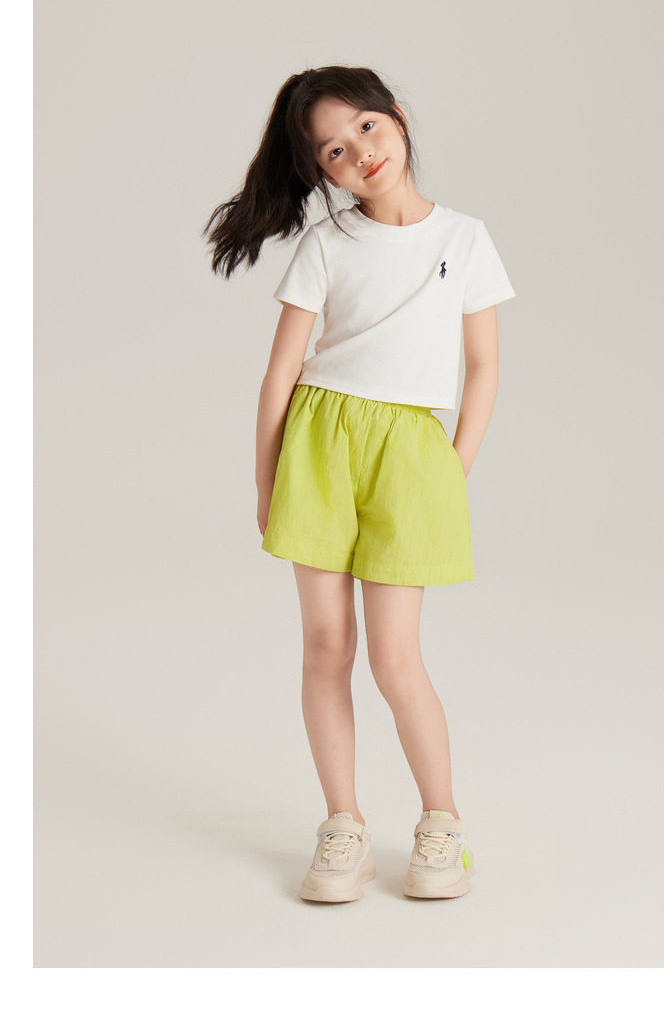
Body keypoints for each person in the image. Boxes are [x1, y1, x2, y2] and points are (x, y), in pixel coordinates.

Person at [203, 65, 517, 903]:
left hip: (412, 450)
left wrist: (451, 470)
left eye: (366, 129)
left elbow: (484, 368)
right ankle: (342, 826)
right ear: (324, 174)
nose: (359, 153)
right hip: (320, 441)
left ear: (399, 119)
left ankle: (442, 823)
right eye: (334, 151)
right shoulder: (327, 244)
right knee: (326, 645)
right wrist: (267, 483)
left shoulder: (466, 238)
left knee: (395, 656)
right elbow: (280, 374)